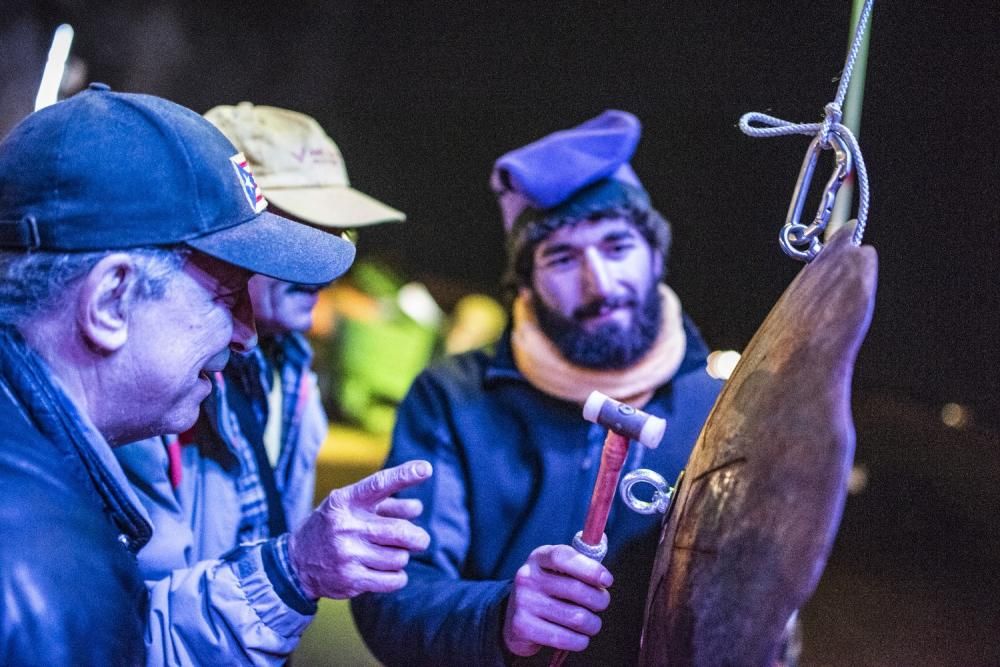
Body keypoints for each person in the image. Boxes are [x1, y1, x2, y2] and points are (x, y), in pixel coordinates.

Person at [0, 84, 430, 666]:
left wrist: (291, 570)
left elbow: (134, 635)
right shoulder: (36, 575)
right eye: (227, 293)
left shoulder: (47, 496)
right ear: (110, 300)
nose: (245, 333)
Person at [351, 110, 724, 665]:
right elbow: (391, 590)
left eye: (618, 247)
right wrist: (498, 618)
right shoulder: (453, 399)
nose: (599, 284)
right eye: (563, 257)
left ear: (655, 255)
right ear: (524, 281)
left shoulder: (718, 408)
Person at [114, 103, 414, 663]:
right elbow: (129, 619)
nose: (329, 256)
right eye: (299, 224)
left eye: (338, 228)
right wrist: (291, 571)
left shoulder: (292, 370)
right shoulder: (151, 387)